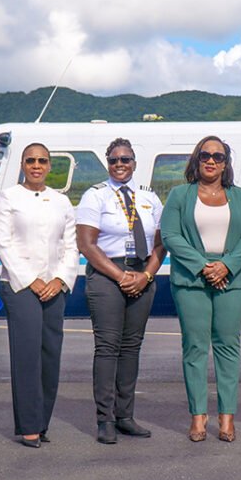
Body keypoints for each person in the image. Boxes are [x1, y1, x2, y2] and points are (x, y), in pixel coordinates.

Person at [160, 136, 241, 443]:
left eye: (218, 156)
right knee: (195, 347)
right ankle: (198, 415)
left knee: (228, 346)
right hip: (191, 280)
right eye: (205, 155)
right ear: (197, 159)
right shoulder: (179, 195)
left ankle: (227, 416)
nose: (211, 161)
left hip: (232, 280)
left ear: (226, 162)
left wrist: (226, 265)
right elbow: (170, 235)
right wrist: (203, 266)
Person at [76, 138, 166, 444]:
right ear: (107, 163)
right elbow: (86, 244)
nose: (119, 165)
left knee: (131, 348)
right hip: (107, 274)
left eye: (125, 159)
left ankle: (125, 415)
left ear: (134, 163)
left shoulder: (149, 197)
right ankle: (105, 419)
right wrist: (120, 276)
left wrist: (146, 275)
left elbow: (160, 243)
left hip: (141, 273)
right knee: (107, 347)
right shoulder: (95, 195)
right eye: (114, 160)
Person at [0, 143, 78, 448]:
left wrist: (60, 278)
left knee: (50, 355)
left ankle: (42, 422)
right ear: (22, 165)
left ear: (50, 165)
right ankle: (28, 425)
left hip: (55, 285)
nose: (37, 166)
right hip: (21, 286)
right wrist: (32, 280)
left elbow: (71, 246)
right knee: (27, 355)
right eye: (31, 161)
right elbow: (2, 243)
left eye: (42, 161)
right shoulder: (9, 197)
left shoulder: (62, 201)